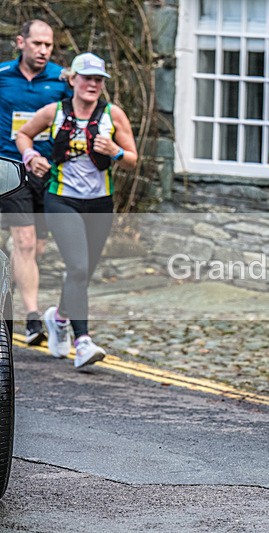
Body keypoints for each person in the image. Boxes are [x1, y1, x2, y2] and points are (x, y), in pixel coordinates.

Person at [16, 52, 137, 368]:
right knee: (79, 268)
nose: (93, 85)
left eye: (99, 80)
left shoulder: (114, 115)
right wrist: (31, 158)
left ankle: (58, 318)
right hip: (61, 199)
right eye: (87, 78)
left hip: (100, 203)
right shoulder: (53, 111)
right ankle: (82, 341)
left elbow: (132, 159)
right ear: (72, 80)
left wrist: (116, 150)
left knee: (84, 271)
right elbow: (23, 134)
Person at [0, 19, 71, 345]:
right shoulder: (2, 77)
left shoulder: (60, 80)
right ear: (21, 42)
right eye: (37, 44)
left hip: (49, 172)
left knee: (35, 247)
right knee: (26, 242)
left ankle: (11, 268)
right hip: (12, 170)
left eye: (48, 45)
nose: (43, 50)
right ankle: (31, 318)